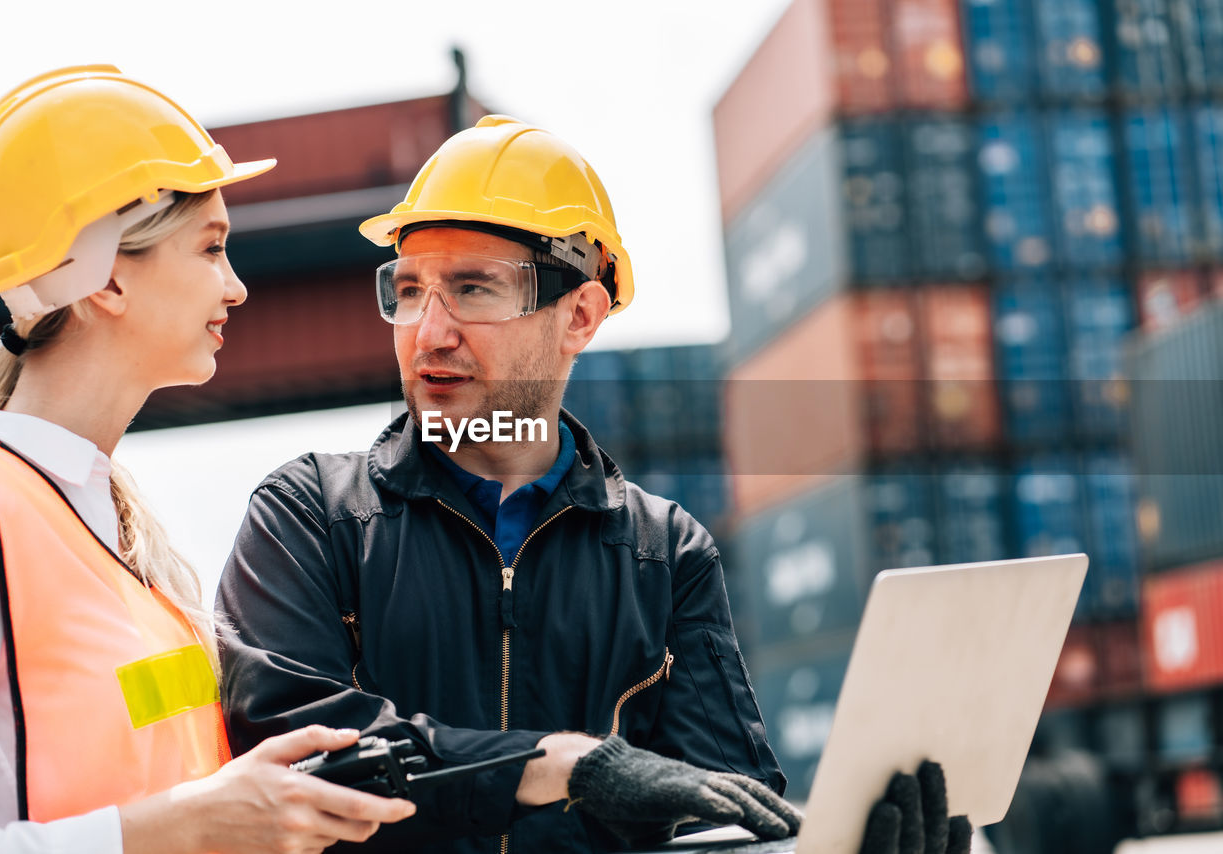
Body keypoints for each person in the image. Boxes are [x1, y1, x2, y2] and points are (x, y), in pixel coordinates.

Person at [216, 116, 969, 854]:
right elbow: (301, 759)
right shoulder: (311, 517)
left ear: (581, 314)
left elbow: (725, 815)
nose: (428, 331)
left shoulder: (664, 555)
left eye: (473, 289)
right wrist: (566, 766)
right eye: (409, 291)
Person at [0, 65, 415, 854]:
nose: (235, 287)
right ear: (109, 278)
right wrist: (190, 825)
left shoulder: (117, 532)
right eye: (211, 247)